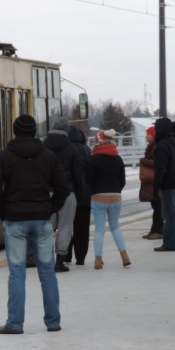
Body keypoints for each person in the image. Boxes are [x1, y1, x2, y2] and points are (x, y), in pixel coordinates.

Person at [0, 114, 69, 334]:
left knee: (16, 273)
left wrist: (3, 212)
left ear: (15, 131)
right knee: (47, 272)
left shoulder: (4, 157)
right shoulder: (48, 156)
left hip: (15, 221)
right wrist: (49, 208)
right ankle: (53, 322)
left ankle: (15, 323)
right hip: (42, 221)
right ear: (34, 131)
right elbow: (63, 188)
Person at [44, 116, 87, 272]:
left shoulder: (43, 147)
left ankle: (46, 260)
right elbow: (78, 176)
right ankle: (59, 261)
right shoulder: (72, 149)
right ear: (66, 131)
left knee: (46, 228)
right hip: (68, 193)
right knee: (65, 227)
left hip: (46, 193)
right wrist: (80, 195)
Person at [87, 128, 129, 269]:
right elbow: (122, 180)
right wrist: (115, 191)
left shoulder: (93, 159)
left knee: (99, 230)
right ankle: (124, 256)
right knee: (115, 227)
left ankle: (98, 260)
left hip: (98, 196)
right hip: (116, 196)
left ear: (98, 142)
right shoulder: (118, 158)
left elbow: (88, 179)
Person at [153, 116, 175, 252]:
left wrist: (156, 186)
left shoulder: (161, 145)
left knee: (168, 215)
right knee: (174, 214)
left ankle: (169, 243)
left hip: (168, 184)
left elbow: (161, 169)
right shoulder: (173, 142)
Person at [66, 124, 92, 265]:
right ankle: (80, 258)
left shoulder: (66, 150)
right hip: (85, 195)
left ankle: (66, 255)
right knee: (82, 228)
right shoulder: (87, 150)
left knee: (66, 226)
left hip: (69, 194)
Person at [138, 125, 162, 240]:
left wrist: (143, 161)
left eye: (148, 134)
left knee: (157, 206)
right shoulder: (152, 146)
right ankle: (154, 229)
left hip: (154, 180)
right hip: (152, 181)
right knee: (155, 205)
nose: (146, 136)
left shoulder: (156, 147)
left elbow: (156, 163)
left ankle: (158, 230)